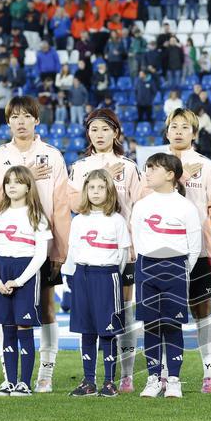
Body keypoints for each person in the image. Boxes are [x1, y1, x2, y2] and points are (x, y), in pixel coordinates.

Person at [0, 96, 70, 393]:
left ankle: (45, 373)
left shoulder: (52, 155)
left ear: (37, 120)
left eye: (26, 116)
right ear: (7, 122)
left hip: (40, 246)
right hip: (9, 245)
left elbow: (60, 206)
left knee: (45, 309)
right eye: (14, 117)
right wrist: (26, 173)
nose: (20, 122)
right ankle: (9, 374)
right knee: (6, 313)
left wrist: (60, 249)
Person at [67, 109, 143, 393]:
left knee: (121, 314)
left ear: (116, 133)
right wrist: (101, 177)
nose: (99, 135)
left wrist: (132, 245)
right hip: (90, 253)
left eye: (104, 129)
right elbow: (75, 205)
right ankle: (92, 379)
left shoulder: (131, 167)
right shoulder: (79, 167)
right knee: (92, 322)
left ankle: (124, 375)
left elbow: (138, 208)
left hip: (119, 251)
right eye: (94, 129)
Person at [160, 108, 211, 392]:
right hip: (162, 251)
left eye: (185, 127)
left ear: (194, 133)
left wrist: (197, 230)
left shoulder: (206, 165)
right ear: (166, 131)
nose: (178, 131)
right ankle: (163, 371)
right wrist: (181, 176)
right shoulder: (154, 163)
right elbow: (144, 199)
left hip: (197, 252)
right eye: (173, 126)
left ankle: (209, 372)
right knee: (162, 312)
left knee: (203, 311)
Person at [131, 153, 202, 399]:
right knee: (150, 325)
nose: (147, 172)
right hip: (146, 267)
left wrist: (180, 270)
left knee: (172, 325)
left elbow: (194, 246)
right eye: (146, 168)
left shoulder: (185, 206)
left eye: (153, 168)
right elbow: (137, 239)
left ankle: (173, 380)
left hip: (175, 268)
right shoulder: (141, 205)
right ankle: (153, 378)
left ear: (171, 174)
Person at [63, 169, 131, 397]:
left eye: (100, 187)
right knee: (87, 330)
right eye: (91, 187)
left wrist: (110, 274)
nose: (95, 192)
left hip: (107, 276)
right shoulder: (79, 221)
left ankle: (109, 381)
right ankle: (88, 381)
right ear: (85, 191)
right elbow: (73, 251)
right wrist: (71, 277)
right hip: (82, 275)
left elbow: (123, 256)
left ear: (109, 190)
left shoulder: (117, 220)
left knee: (108, 331)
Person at [0, 166, 52, 397]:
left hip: (25, 274)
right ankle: (9, 381)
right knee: (7, 328)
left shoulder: (37, 216)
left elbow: (41, 255)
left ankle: (25, 382)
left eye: (17, 181)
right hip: (3, 273)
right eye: (8, 182)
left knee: (24, 327)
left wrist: (20, 280)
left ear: (27, 186)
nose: (12, 185)